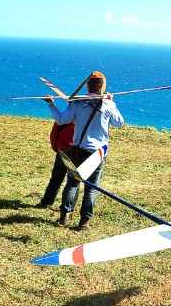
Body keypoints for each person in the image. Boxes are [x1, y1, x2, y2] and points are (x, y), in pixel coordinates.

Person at [43, 71, 124, 229]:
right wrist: (112, 102)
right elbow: (119, 123)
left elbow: (60, 119)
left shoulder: (77, 103)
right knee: (91, 188)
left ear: (88, 86)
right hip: (97, 153)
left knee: (72, 184)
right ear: (102, 87)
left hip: (78, 149)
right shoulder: (108, 104)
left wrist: (52, 104)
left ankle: (63, 217)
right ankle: (84, 222)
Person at [36, 121, 75, 208]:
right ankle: (69, 207)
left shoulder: (64, 117)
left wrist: (56, 148)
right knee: (73, 182)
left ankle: (46, 203)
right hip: (77, 152)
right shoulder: (84, 119)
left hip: (62, 151)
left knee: (56, 179)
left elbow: (54, 134)